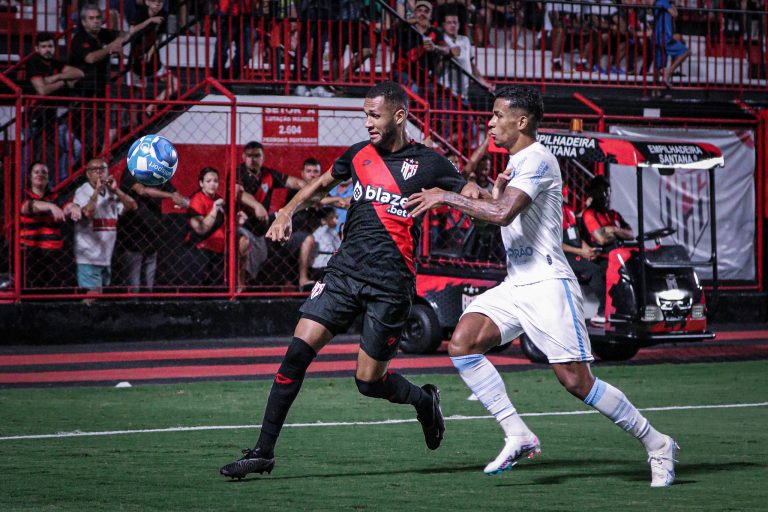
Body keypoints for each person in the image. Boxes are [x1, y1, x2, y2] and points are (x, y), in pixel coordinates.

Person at [406, 84, 679, 487]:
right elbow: (494, 216)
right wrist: (487, 196)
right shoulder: (516, 165)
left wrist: (449, 195)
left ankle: (657, 443)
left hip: (548, 283)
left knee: (575, 381)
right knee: (462, 342)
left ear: (522, 121)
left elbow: (500, 214)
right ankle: (517, 433)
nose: (491, 122)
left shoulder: (536, 158)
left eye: (498, 115)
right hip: (517, 283)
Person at [219, 81, 478, 479]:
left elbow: (471, 192)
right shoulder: (358, 155)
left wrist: (454, 196)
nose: (367, 123)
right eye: (364, 115)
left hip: (390, 285)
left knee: (368, 382)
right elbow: (321, 183)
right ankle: (263, 452)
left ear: (399, 115)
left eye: (374, 115)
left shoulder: (429, 163)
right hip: (343, 274)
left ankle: (424, 401)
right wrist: (286, 211)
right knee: (295, 355)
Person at [236, 141, 302, 284]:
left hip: (261, 227)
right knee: (243, 243)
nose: (253, 159)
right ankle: (238, 285)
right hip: (240, 225)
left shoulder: (269, 174)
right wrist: (256, 205)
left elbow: (293, 182)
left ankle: (280, 284)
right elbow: (238, 193)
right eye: (249, 156)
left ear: (263, 157)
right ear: (243, 157)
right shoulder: (238, 172)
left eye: (257, 155)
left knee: (284, 235)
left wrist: (310, 187)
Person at [69, 3, 130, 156]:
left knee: (120, 116)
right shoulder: (79, 38)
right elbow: (90, 58)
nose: (96, 21)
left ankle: (104, 152)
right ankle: (89, 162)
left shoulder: (102, 34)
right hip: (83, 93)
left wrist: (118, 40)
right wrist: (110, 48)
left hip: (101, 89)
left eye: (98, 18)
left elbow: (125, 34)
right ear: (83, 22)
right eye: (91, 18)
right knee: (88, 137)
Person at [118, 162, 190, 292]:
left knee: (149, 273)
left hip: (153, 231)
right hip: (134, 230)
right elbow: (142, 191)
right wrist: (171, 196)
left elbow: (174, 192)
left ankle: (148, 303)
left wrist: (184, 201)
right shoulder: (131, 171)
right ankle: (132, 306)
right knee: (134, 276)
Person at [73, 158, 138, 297]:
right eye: (94, 170)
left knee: (98, 295)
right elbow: (87, 213)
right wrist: (97, 191)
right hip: (88, 256)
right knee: (93, 295)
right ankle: (81, 318)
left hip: (105, 256)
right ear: (88, 174)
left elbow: (132, 205)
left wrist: (116, 190)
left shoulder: (111, 192)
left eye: (102, 169)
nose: (99, 173)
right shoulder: (83, 191)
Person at [24, 32, 84, 181]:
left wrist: (56, 77)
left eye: (50, 46)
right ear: (37, 49)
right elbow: (42, 91)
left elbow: (79, 73)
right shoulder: (33, 62)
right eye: (43, 47)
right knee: (28, 159)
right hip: (34, 118)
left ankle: (59, 182)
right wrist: (64, 82)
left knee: (75, 148)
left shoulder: (57, 64)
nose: (47, 50)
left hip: (52, 118)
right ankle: (23, 192)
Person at [20, 161, 82, 289]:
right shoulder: (24, 195)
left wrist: (74, 207)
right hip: (30, 252)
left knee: (57, 288)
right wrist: (50, 206)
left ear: (48, 178)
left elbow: (66, 206)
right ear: (30, 177)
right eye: (36, 172)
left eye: (44, 172)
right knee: (31, 291)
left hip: (53, 253)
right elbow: (28, 206)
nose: (40, 174)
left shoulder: (54, 197)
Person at [127, 0, 178, 118]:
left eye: (160, 2)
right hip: (136, 60)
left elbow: (158, 38)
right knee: (136, 97)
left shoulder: (163, 14)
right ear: (147, 2)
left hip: (154, 59)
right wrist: (150, 21)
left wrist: (150, 52)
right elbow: (132, 31)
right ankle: (135, 125)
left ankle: (152, 106)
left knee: (174, 84)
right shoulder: (141, 12)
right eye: (155, 1)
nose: (158, 4)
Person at [561, 198, 606, 324]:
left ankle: (612, 308)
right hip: (561, 256)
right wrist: (580, 252)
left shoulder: (568, 208)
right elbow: (555, 243)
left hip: (575, 251)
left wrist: (587, 250)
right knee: (593, 270)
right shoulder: (550, 209)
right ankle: (603, 311)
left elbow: (576, 236)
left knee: (603, 264)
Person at [581, 175, 634, 254]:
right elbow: (601, 240)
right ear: (594, 194)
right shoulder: (590, 214)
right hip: (604, 257)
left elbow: (631, 235)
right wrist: (620, 234)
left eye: (607, 191)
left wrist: (613, 229)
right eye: (601, 192)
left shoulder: (614, 214)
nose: (606, 196)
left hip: (621, 253)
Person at [298, 206, 341, 290]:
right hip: (324, 266)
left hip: (316, 267)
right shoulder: (328, 231)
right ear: (324, 220)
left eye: (336, 218)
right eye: (332, 218)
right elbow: (339, 247)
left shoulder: (317, 231)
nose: (336, 221)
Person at [652, 0, 690, 92]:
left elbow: (674, 15)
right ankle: (669, 72)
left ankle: (655, 90)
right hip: (664, 37)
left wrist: (672, 5)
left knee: (658, 66)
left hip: (658, 37)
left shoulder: (663, 3)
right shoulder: (662, 2)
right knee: (686, 51)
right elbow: (675, 14)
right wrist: (673, 6)